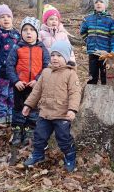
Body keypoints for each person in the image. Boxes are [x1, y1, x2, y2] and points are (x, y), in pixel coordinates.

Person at [22, 41, 81, 172]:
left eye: (59, 56)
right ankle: (38, 154)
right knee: (39, 135)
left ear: (66, 58)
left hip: (62, 114)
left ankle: (70, 157)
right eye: (53, 55)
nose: (55, 58)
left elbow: (75, 93)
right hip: (45, 113)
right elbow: (36, 91)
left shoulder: (70, 73)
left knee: (63, 138)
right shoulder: (46, 72)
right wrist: (28, 104)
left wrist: (72, 109)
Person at [6, 17, 50, 146]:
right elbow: (9, 66)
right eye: (25, 30)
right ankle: (18, 129)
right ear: (21, 33)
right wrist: (15, 81)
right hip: (20, 85)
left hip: (35, 86)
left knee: (34, 108)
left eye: (32, 30)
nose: (28, 33)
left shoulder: (42, 49)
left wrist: (37, 80)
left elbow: (46, 66)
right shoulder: (16, 48)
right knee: (18, 107)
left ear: (37, 33)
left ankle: (30, 129)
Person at [0, 4, 20, 126]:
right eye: (2, 17)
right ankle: (1, 115)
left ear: (12, 18)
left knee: (12, 94)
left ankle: (11, 114)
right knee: (3, 94)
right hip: (1, 72)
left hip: (14, 72)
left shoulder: (16, 34)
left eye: (8, 16)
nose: (6, 19)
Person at [80, 0, 114, 85]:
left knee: (105, 75)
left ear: (106, 5)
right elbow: (83, 32)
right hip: (92, 52)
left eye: (101, 2)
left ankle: (105, 93)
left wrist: (112, 51)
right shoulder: (88, 19)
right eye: (96, 2)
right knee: (93, 74)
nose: (98, 3)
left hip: (105, 53)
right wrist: (88, 41)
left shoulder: (111, 21)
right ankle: (91, 91)